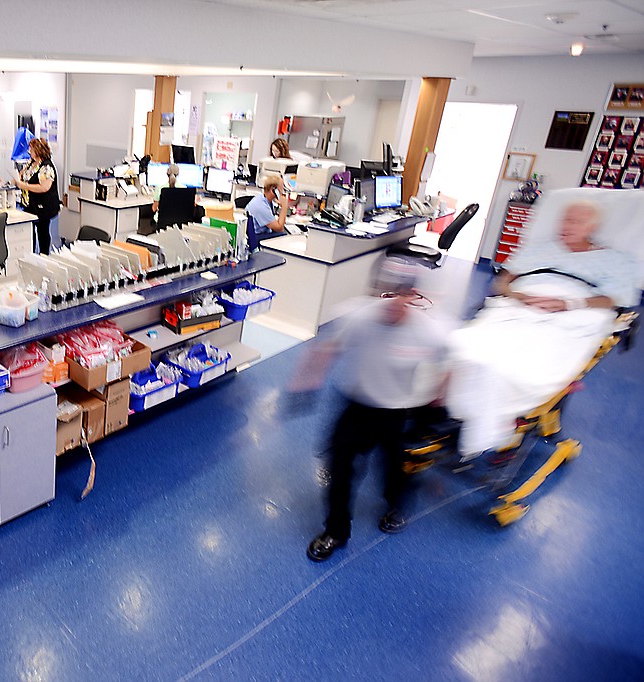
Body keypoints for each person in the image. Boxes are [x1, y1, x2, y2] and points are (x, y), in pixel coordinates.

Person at [446, 199, 639, 459]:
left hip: (575, 310)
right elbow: (501, 284)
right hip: (522, 303)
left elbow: (614, 299)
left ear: (593, 227)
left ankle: (494, 405)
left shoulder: (614, 260)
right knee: (464, 344)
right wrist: (519, 297)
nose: (566, 225)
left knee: (523, 362)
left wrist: (567, 303)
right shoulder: (539, 249)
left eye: (576, 221)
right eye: (564, 219)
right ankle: (476, 400)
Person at [292, 258, 451, 562]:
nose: (393, 300)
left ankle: (396, 504)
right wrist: (307, 381)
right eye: (388, 292)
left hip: (397, 411)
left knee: (395, 471)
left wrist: (438, 400)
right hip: (358, 407)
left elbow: (447, 363)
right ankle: (336, 531)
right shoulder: (358, 318)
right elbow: (328, 349)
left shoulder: (428, 332)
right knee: (340, 470)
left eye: (402, 293)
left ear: (413, 296)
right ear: (380, 291)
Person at [13, 138, 60, 254]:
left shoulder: (46, 167)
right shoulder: (31, 163)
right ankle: (31, 254)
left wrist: (24, 186)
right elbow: (22, 175)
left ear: (38, 150)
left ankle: (44, 256)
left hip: (43, 206)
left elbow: (44, 187)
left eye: (31, 149)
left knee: (42, 232)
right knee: (30, 232)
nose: (29, 151)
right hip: (30, 204)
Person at [246, 175, 292, 251]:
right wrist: (284, 207)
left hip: (261, 233)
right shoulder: (260, 205)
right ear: (273, 189)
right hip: (254, 238)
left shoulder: (265, 199)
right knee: (284, 235)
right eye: (281, 188)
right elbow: (279, 228)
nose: (282, 192)